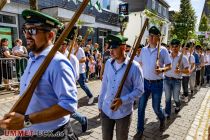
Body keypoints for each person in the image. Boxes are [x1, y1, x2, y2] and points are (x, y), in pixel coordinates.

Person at [0, 9, 78, 140]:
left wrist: (26, 120)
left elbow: (68, 105)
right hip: (27, 132)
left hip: (52, 135)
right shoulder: (32, 58)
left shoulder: (58, 63)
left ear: (50, 35)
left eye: (34, 30)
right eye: (26, 29)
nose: (27, 35)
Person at [98, 34, 144, 140]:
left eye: (114, 48)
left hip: (123, 113)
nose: (111, 51)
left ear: (123, 48)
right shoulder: (109, 63)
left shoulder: (134, 67)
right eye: (110, 47)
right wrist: (100, 104)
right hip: (106, 110)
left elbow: (140, 90)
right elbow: (105, 84)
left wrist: (122, 100)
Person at [134, 26, 172, 139]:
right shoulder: (144, 50)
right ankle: (139, 130)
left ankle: (162, 118)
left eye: (153, 36)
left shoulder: (163, 50)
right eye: (149, 35)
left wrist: (161, 70)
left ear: (158, 38)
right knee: (140, 108)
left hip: (157, 83)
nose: (150, 37)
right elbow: (139, 63)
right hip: (144, 83)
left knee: (156, 108)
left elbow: (169, 66)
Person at [59, 39, 88, 133]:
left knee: (67, 110)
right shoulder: (55, 56)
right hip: (56, 88)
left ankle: (83, 120)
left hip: (67, 88)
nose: (61, 46)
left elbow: (76, 76)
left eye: (63, 44)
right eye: (59, 44)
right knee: (61, 111)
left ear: (67, 45)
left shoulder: (72, 58)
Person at [164, 39, 189, 118]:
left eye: (176, 46)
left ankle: (178, 105)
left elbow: (188, 71)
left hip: (177, 81)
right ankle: (167, 113)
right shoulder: (166, 56)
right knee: (167, 98)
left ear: (179, 47)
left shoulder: (183, 58)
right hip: (167, 79)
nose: (174, 48)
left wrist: (180, 71)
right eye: (173, 46)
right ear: (170, 47)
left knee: (176, 98)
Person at [72, 35, 94, 104]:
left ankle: (91, 96)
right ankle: (73, 99)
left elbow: (84, 59)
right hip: (72, 71)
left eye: (73, 41)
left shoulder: (80, 49)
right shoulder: (71, 49)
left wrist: (76, 61)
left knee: (82, 85)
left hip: (80, 71)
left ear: (76, 42)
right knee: (72, 85)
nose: (72, 42)